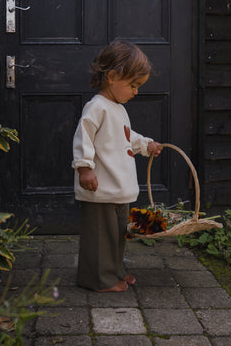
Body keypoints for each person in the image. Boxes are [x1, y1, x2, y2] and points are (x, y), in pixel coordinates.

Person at [72, 40, 161, 292]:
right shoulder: (97, 107)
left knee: (116, 235)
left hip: (118, 187)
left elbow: (126, 137)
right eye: (133, 85)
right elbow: (83, 138)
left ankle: (114, 271)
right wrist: (84, 168)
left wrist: (146, 144)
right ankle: (98, 279)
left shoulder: (117, 109)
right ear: (112, 76)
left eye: (138, 86)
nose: (136, 91)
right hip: (100, 187)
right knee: (100, 237)